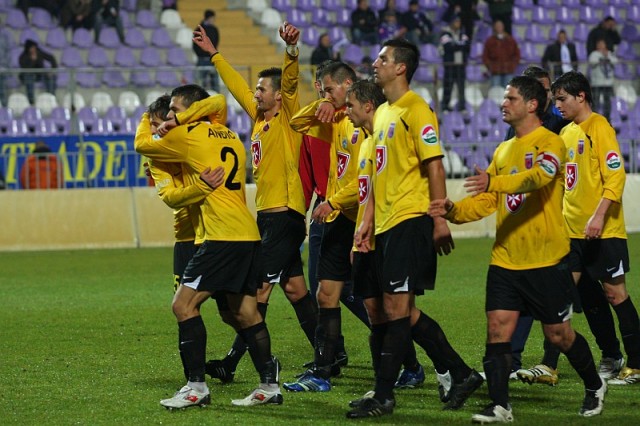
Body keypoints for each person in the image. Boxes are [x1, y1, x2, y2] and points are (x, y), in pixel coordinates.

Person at [429, 75, 606, 423]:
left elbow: (537, 178)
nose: (503, 103)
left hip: (546, 259)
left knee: (559, 334)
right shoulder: (503, 149)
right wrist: (452, 211)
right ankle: (500, 406)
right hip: (505, 260)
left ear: (532, 104)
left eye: (510, 98)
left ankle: (594, 384)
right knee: (497, 330)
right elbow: (486, 201)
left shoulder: (551, 143)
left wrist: (494, 182)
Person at [348, 39, 481, 419]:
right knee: (395, 312)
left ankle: (384, 396)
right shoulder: (384, 113)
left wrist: (438, 218)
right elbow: (378, 176)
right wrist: (367, 222)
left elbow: (434, 165)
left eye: (383, 58)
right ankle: (461, 373)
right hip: (386, 223)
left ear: (401, 67)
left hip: (411, 219)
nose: (376, 63)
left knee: (396, 309)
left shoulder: (417, 109)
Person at [135, 84, 283, 409]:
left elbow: (142, 145)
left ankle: (196, 387)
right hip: (247, 234)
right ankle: (269, 385)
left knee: (183, 306)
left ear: (191, 111)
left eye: (176, 110)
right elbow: (216, 101)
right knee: (245, 313)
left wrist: (149, 119)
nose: (171, 117)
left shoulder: (188, 135)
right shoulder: (227, 133)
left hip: (221, 235)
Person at [191, 22, 320, 381]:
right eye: (258, 89)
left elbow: (290, 82)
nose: (257, 93)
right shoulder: (260, 120)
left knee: (259, 290)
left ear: (279, 96)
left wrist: (291, 51)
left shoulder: (287, 118)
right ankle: (330, 352)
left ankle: (231, 363)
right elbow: (237, 87)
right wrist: (215, 55)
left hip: (284, 216)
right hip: (267, 217)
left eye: (263, 89)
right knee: (295, 289)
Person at [517, 71, 640, 388]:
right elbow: (562, 182)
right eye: (555, 99)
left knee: (615, 295)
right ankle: (549, 365)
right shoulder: (566, 133)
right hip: (571, 234)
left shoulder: (599, 127)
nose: (557, 105)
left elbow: (615, 177)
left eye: (562, 99)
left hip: (604, 231)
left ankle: (636, 365)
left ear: (581, 96)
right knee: (558, 296)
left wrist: (598, 217)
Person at [283, 61, 370, 392]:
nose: (324, 94)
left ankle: (413, 362)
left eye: (329, 88)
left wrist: (332, 202)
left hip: (358, 217)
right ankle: (325, 367)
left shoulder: (364, 124)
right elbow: (297, 122)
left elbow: (363, 179)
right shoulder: (334, 121)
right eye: (320, 89)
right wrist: (324, 103)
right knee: (326, 292)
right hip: (332, 214)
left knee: (374, 299)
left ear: (348, 84)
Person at [143, 94, 225, 378]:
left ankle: (252, 366)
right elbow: (171, 197)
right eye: (152, 125)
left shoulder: (197, 141)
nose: (155, 131)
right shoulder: (160, 157)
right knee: (185, 308)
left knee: (233, 310)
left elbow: (218, 102)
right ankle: (193, 376)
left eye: (158, 123)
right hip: (186, 238)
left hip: (215, 234)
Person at [502, 66, 570, 379]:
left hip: (563, 221)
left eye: (548, 90)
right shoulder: (514, 132)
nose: (547, 96)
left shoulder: (560, 125)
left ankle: (604, 360)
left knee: (596, 295)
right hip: (530, 224)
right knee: (530, 297)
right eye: (541, 90)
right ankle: (520, 361)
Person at [439, 14, 470, 112]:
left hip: (460, 65)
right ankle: (445, 106)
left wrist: (455, 44)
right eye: (456, 21)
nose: (458, 24)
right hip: (450, 65)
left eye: (459, 22)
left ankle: (462, 107)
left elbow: (467, 46)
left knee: (461, 87)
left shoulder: (462, 34)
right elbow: (448, 47)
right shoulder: (445, 34)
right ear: (451, 23)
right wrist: (459, 45)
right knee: (448, 86)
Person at [482, 19, 520, 89]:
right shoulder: (490, 41)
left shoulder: (510, 40)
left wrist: (512, 65)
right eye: (497, 26)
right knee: (495, 91)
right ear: (494, 28)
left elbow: (517, 54)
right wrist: (490, 66)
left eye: (500, 26)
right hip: (495, 71)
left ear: (503, 27)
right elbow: (485, 56)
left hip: (508, 70)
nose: (499, 28)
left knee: (508, 91)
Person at [18, 40, 57, 105]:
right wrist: (32, 60)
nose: (33, 49)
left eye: (34, 47)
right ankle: (31, 102)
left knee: (51, 77)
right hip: (29, 76)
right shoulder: (23, 57)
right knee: (28, 78)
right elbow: (26, 69)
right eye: (32, 48)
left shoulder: (39, 52)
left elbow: (51, 58)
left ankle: (51, 98)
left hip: (40, 75)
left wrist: (52, 70)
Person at [588, 39, 617, 122]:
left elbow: (615, 61)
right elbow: (592, 62)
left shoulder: (609, 53)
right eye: (599, 44)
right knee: (595, 102)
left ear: (605, 45)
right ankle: (594, 119)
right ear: (597, 45)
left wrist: (607, 56)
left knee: (607, 103)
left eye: (602, 44)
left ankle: (607, 119)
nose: (601, 46)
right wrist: (601, 56)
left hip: (608, 83)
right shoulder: (594, 54)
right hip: (597, 83)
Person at [193, 10, 220, 93]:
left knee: (215, 81)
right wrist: (202, 55)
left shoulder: (214, 29)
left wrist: (212, 53)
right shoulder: (198, 29)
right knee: (201, 82)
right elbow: (195, 45)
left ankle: (217, 96)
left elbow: (216, 42)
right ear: (209, 18)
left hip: (212, 58)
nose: (213, 20)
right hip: (202, 59)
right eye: (212, 18)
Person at [0, 25, 10, 107]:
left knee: (2, 90)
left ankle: (4, 109)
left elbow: (7, 54)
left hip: (2, 68)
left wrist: (5, 66)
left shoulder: (3, 38)